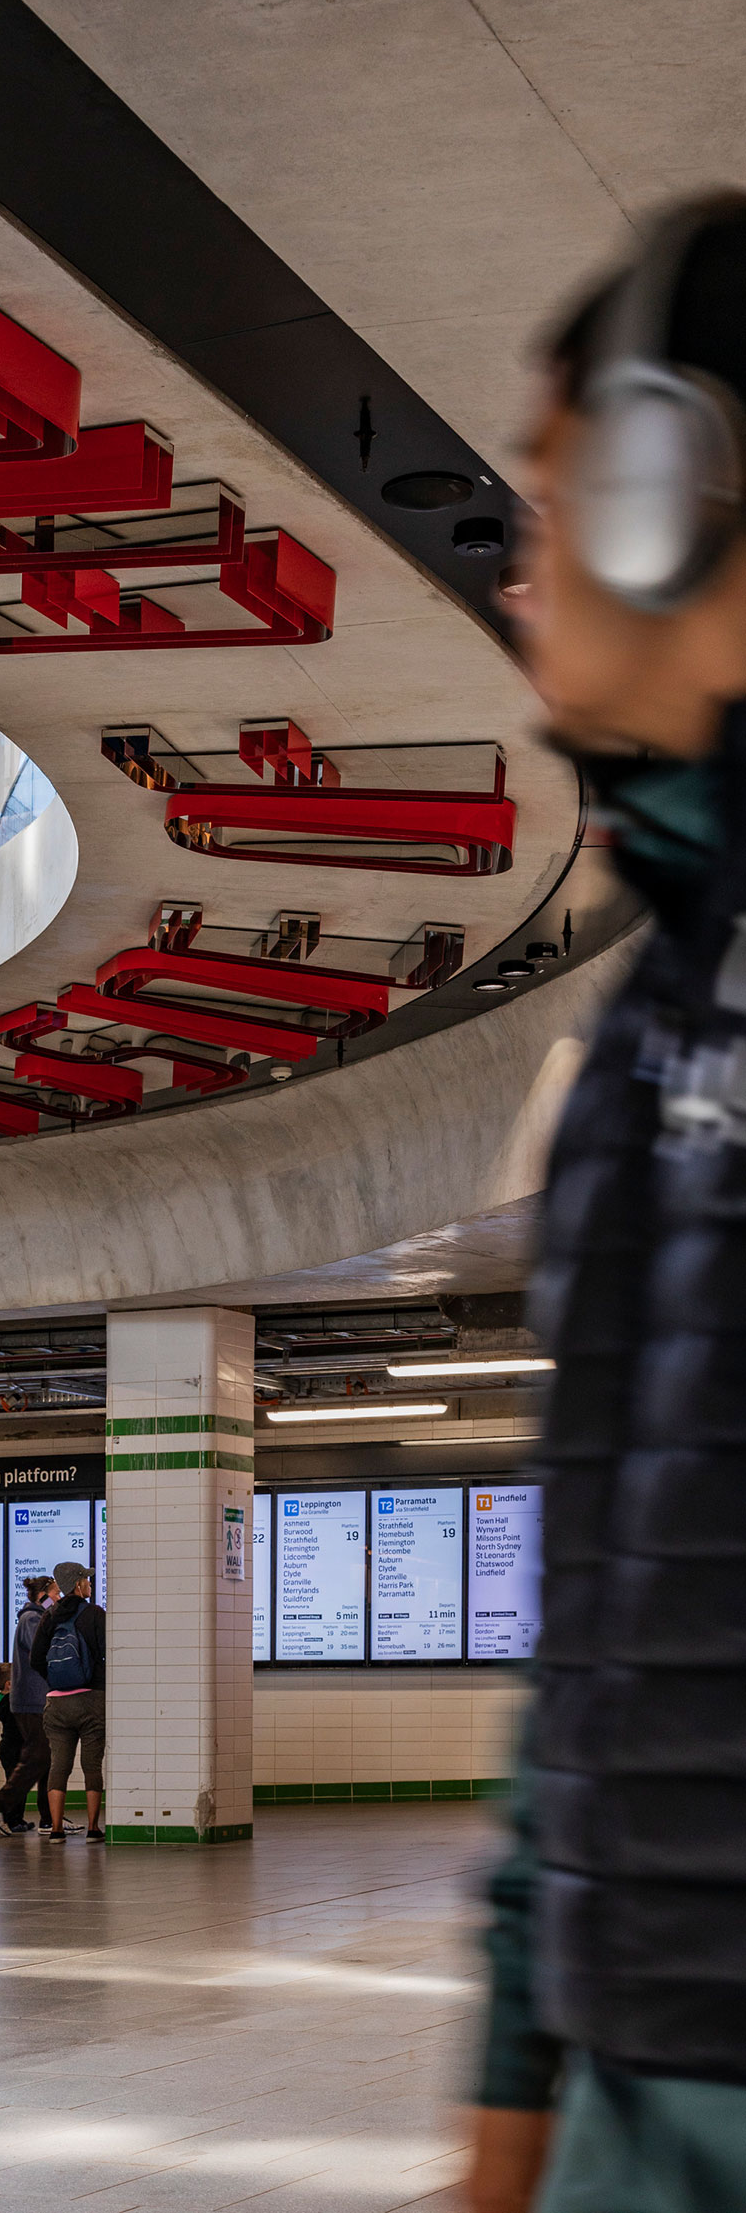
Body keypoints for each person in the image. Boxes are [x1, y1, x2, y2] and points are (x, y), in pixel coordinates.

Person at [469, 193, 746, 2213]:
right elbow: (581, 1634)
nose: (515, 570)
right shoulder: (655, 1018)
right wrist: (515, 2083)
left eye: (555, 505)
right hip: (641, 2074)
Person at [32, 1561, 105, 1844]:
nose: (89, 1584)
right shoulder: (95, 1614)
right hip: (91, 1699)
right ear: (77, 1585)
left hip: (57, 1704)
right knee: (91, 1766)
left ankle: (56, 1830)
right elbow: (107, 1652)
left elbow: (35, 1659)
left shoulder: (49, 1617)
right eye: (86, 1580)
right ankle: (93, 1828)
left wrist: (56, 1680)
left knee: (58, 1766)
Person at [0, 1575, 58, 1837]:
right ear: (43, 1596)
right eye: (55, 1594)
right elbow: (44, 1653)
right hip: (31, 1701)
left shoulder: (36, 1619)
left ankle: (4, 1805)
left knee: (39, 1757)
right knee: (38, 1757)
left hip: (35, 1700)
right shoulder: (32, 1619)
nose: (58, 1599)